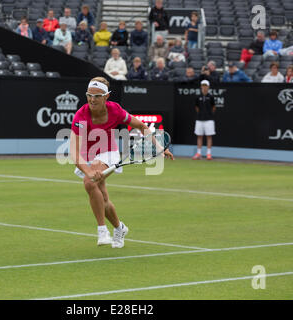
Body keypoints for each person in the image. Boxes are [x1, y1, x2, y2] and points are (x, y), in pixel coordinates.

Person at [70, 77, 174, 248]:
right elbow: (74, 152)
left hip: (108, 152)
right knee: (102, 196)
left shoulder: (115, 110)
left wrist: (160, 147)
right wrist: (88, 169)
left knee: (89, 183)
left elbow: (141, 126)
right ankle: (119, 228)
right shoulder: (81, 115)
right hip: (87, 154)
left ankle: (102, 230)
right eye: (89, 95)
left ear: (106, 96)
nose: (92, 99)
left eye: (97, 96)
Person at [192, 80, 216, 160]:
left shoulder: (211, 97)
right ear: (201, 86)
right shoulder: (197, 97)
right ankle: (198, 153)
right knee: (199, 136)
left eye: (206, 85)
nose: (204, 87)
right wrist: (201, 114)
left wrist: (208, 114)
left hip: (209, 120)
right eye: (203, 85)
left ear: (208, 87)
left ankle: (208, 154)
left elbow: (213, 107)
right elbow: (197, 108)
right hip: (199, 119)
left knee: (209, 136)